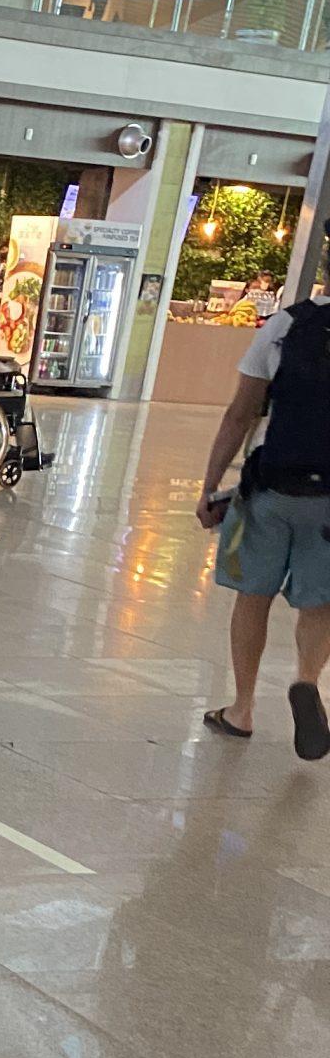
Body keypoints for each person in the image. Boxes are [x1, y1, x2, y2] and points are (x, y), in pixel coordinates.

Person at [196, 292, 330, 756]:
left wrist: (210, 485)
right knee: (321, 602)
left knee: (253, 596)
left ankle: (242, 709)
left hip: (271, 489)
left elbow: (240, 414)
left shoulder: (284, 326)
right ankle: (306, 680)